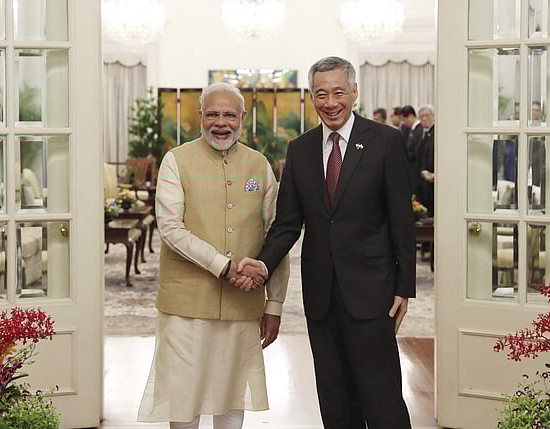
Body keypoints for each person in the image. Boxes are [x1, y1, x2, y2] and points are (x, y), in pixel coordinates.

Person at [236, 56, 415, 428]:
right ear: (311, 96)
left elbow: (401, 219)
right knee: (334, 399)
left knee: (381, 396)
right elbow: (288, 223)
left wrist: (404, 286)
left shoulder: (385, 141)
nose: (330, 102)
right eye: (321, 94)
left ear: (354, 92)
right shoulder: (300, 149)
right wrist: (263, 264)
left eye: (338, 92)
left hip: (372, 291)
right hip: (321, 295)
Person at [137, 82, 289, 429]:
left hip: (243, 305)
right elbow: (170, 228)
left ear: (243, 118)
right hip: (186, 305)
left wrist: (274, 305)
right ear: (201, 116)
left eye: (230, 115)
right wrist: (223, 266)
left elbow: (275, 237)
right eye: (213, 114)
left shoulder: (259, 164)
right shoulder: (176, 161)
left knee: (233, 397)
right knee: (184, 398)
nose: (221, 123)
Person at [418, 104, 435, 217]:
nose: (424, 118)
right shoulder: (422, 133)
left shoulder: (437, 132)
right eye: (421, 116)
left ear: (433, 116)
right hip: (424, 177)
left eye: (427, 115)